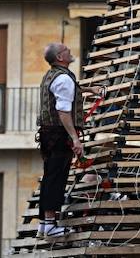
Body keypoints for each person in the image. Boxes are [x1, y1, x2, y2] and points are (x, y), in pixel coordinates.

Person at [36, 42, 85, 237]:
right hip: (59, 136)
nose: (70, 51)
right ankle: (50, 225)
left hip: (48, 135)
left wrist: (91, 90)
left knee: (49, 177)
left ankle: (43, 224)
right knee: (56, 178)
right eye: (66, 50)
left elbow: (71, 91)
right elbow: (64, 111)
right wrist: (75, 138)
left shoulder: (51, 76)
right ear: (60, 58)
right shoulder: (63, 78)